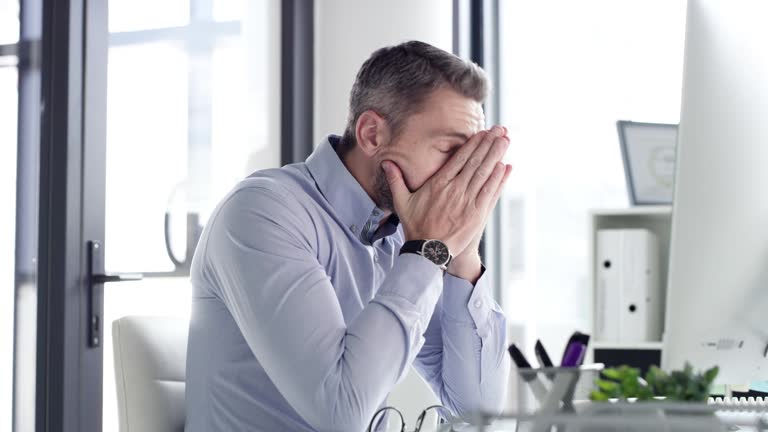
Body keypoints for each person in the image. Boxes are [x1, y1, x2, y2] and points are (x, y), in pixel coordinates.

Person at [185, 40, 512, 432]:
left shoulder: (400, 238)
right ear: (372, 134)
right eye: (450, 151)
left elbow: (475, 414)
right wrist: (428, 250)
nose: (461, 174)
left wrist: (462, 252)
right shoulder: (262, 213)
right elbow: (342, 413)